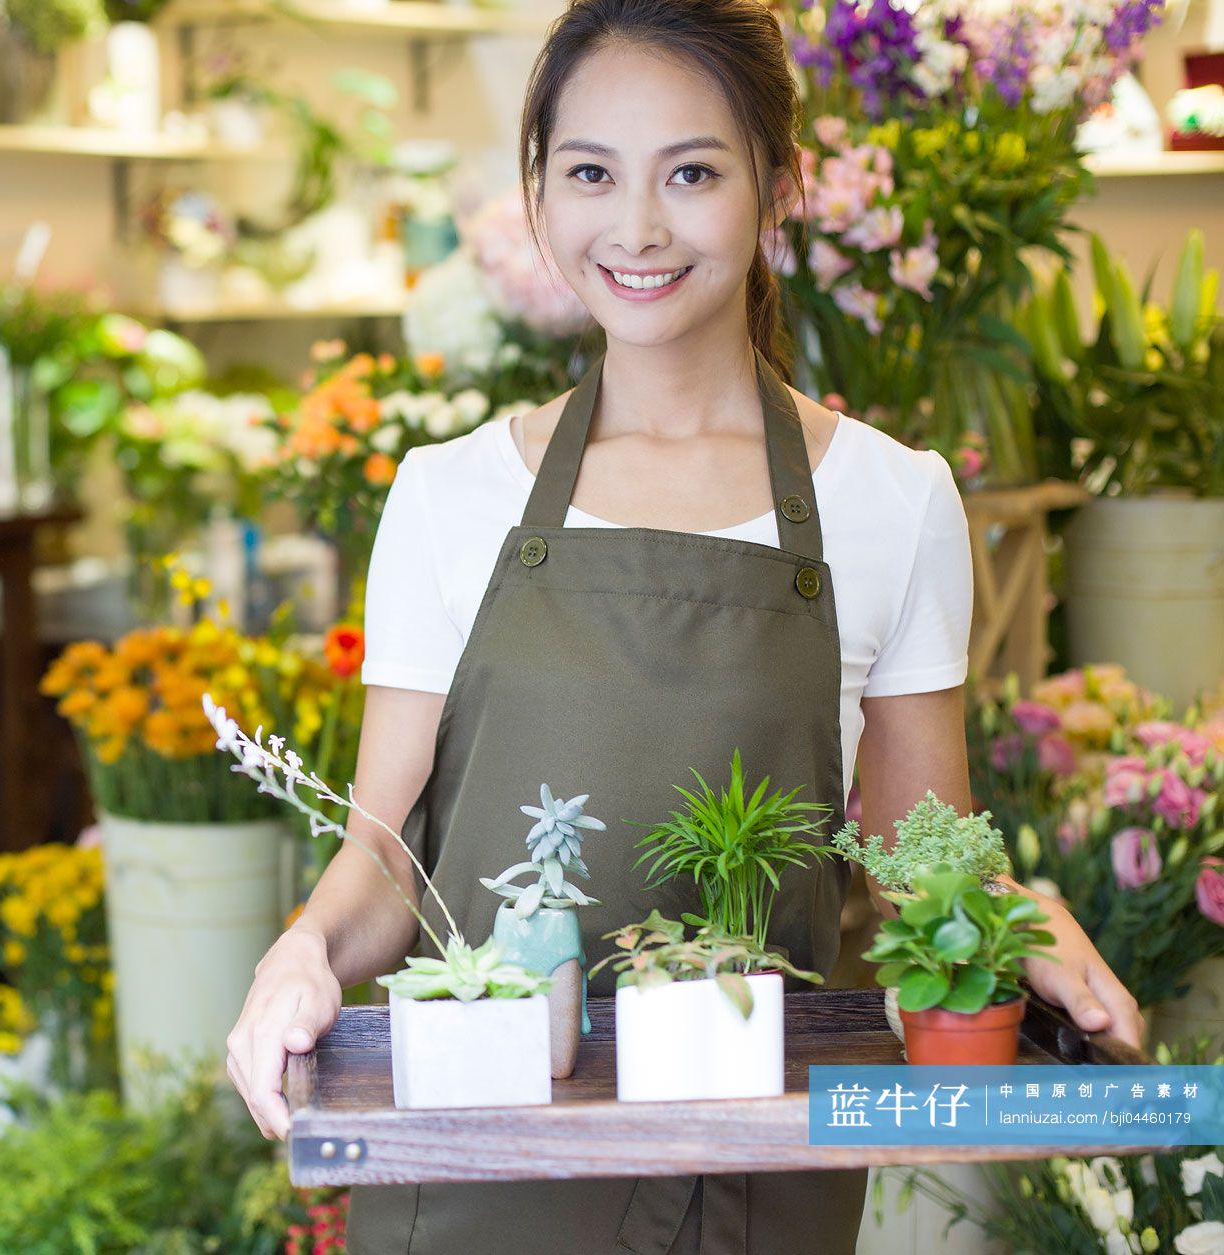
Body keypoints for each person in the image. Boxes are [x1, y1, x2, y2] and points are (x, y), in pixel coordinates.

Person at [224, 1, 1147, 1251]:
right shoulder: (449, 495)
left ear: (777, 188)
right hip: (483, 1153)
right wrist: (302, 956)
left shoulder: (892, 500)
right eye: (592, 172)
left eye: (694, 173)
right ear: (538, 195)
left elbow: (922, 845)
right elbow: (389, 855)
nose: (639, 227)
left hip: (757, 1158)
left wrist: (1017, 921)